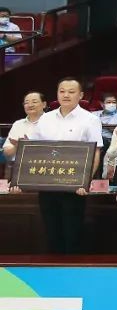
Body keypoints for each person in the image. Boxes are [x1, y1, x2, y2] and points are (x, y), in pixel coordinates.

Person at [9, 78, 102, 254]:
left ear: (81, 95)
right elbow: (34, 150)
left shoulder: (90, 119)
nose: (66, 95)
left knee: (72, 232)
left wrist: (86, 181)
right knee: (51, 230)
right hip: (47, 185)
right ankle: (55, 265)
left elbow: (96, 152)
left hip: (74, 186)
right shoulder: (46, 118)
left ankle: (72, 266)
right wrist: (20, 178)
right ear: (57, 94)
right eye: (62, 91)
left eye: (71, 92)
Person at [2, 91, 45, 161]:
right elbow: (6, 152)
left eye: (34, 102)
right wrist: (18, 146)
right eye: (26, 103)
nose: (30, 105)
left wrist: (30, 145)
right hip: (19, 164)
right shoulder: (18, 124)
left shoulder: (52, 122)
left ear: (44, 104)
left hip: (44, 164)